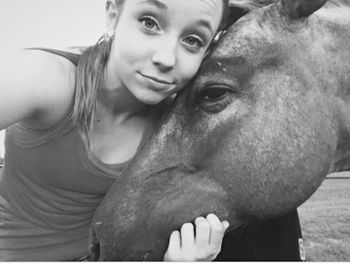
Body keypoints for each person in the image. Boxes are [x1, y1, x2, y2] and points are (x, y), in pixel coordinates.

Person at [0, 0, 304, 261]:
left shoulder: (181, 119)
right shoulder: (50, 80)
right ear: (113, 14)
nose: (166, 58)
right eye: (149, 22)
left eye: (192, 40)